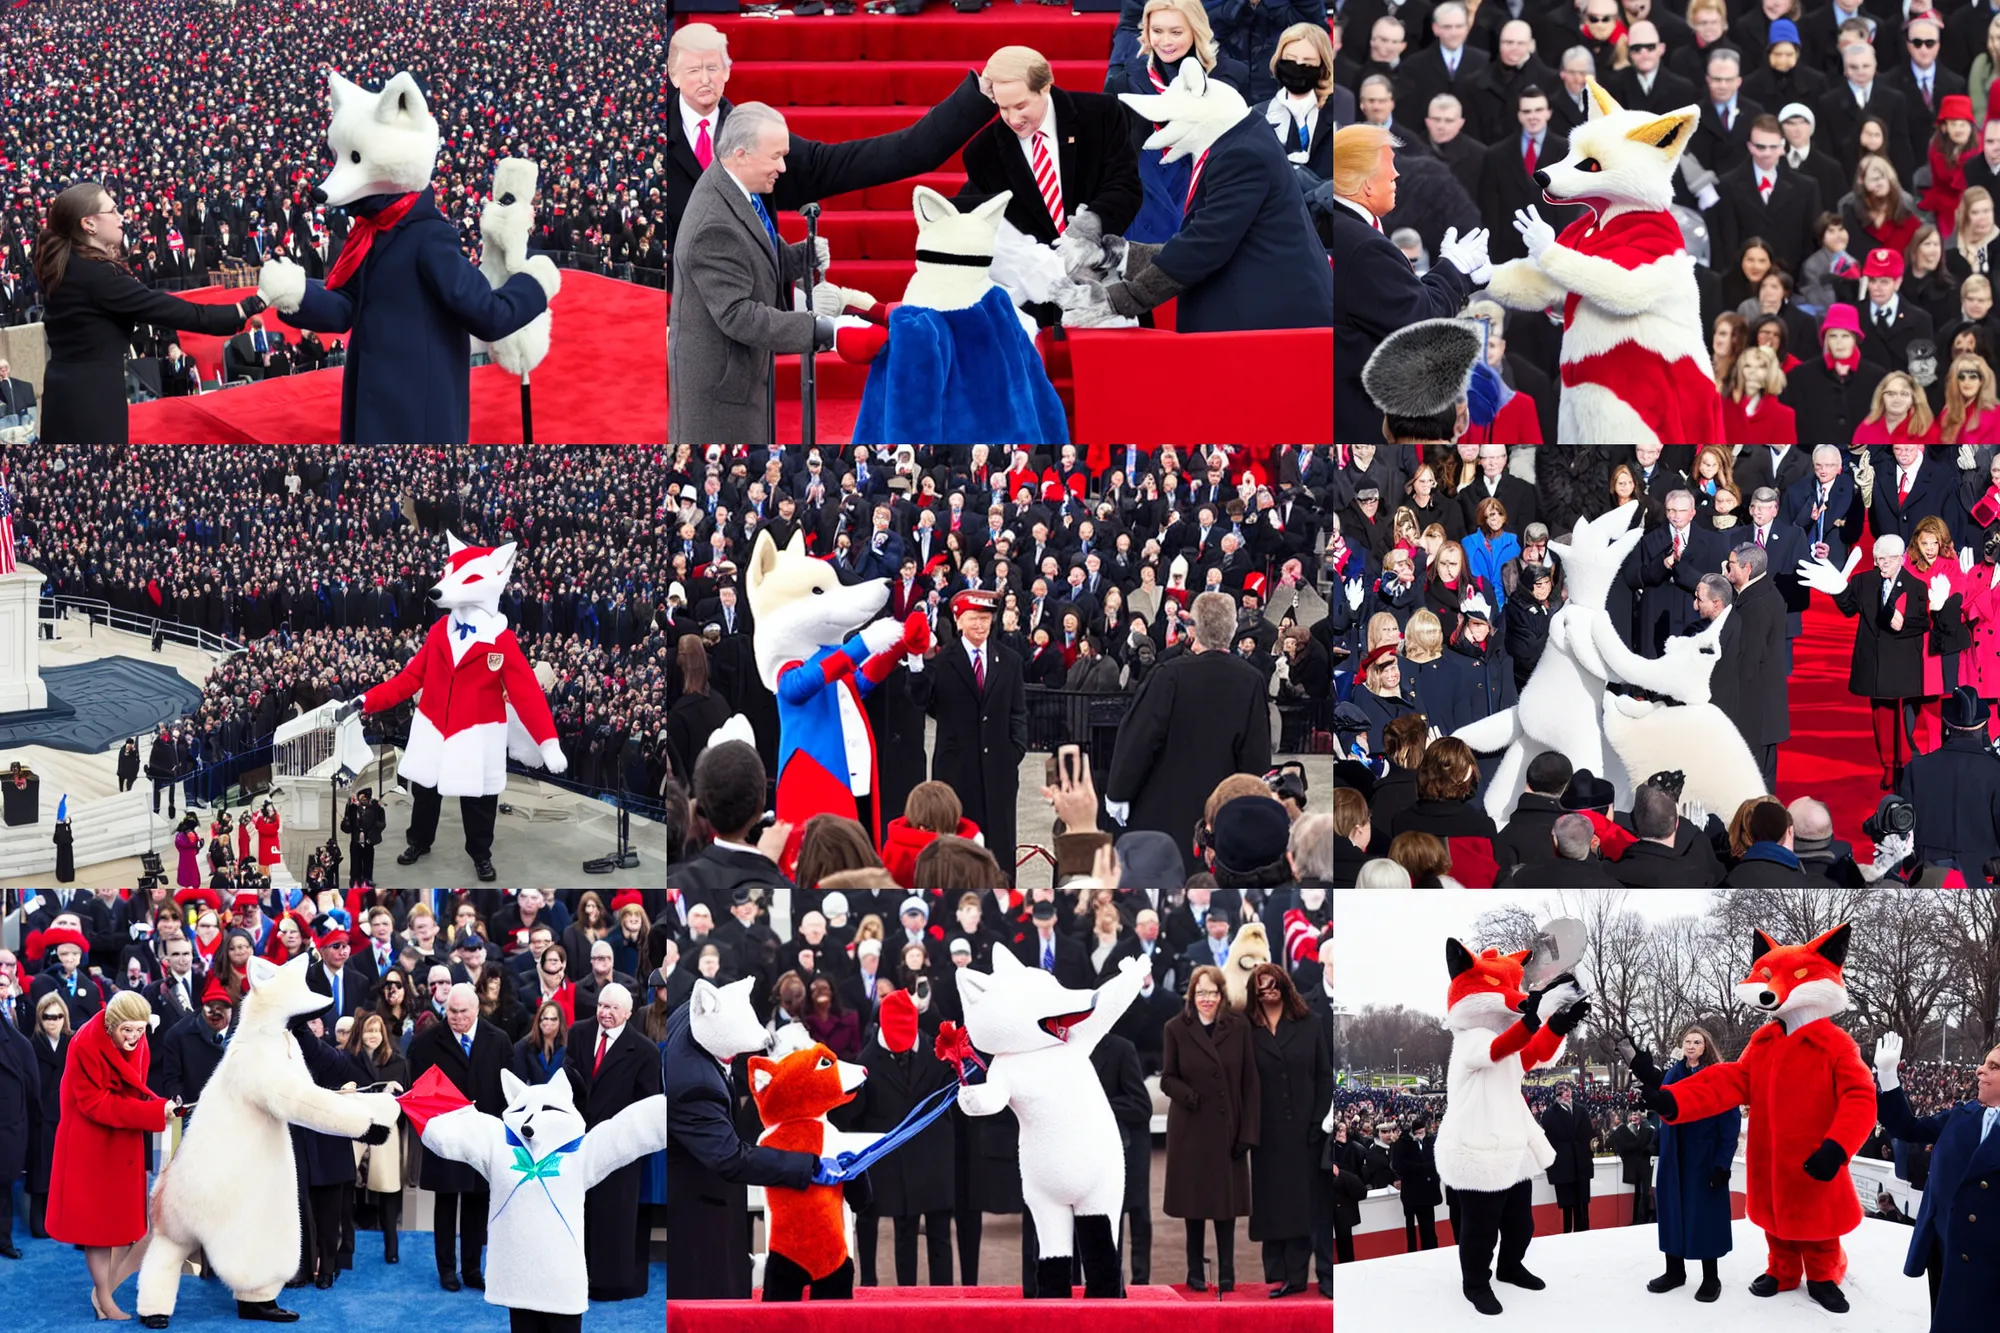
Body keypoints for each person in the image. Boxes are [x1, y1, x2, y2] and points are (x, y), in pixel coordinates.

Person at [664, 23, 997, 285]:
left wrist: (975, 99)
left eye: (714, 67)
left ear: (727, 71)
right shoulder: (639, 140)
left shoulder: (758, 137)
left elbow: (883, 157)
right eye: (694, 70)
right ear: (673, 75)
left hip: (752, 324)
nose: (705, 79)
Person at [34, 181, 260, 444]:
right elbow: (172, 310)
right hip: (93, 402)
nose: (121, 218)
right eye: (113, 210)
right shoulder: (100, 276)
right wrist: (243, 310)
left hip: (61, 394)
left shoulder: (66, 265)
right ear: (89, 224)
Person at [667, 102, 839, 447]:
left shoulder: (733, 188)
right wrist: (816, 328)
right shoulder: (713, 222)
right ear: (742, 154)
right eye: (775, 156)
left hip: (738, 382)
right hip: (719, 400)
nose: (783, 167)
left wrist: (801, 255)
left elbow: (754, 255)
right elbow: (738, 315)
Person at [956, 46, 1141, 326]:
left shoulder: (1100, 114)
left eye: (1021, 106)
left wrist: (1094, 223)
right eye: (1003, 108)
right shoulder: (983, 152)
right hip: (1037, 308)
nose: (1012, 119)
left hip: (1106, 285)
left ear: (1045, 87)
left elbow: (1125, 184)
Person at [1333, 123, 1487, 440]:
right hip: (1360, 414)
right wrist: (1454, 268)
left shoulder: (1350, 230)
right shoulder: (1363, 245)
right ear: (1365, 184)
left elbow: (1398, 302)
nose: (1396, 175)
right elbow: (1417, 322)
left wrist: (1461, 279)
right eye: (1389, 165)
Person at [1107, 591, 1274, 850]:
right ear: (1232, 630)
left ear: (1195, 629)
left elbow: (1139, 739)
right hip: (1219, 816)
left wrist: (1118, 792)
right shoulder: (1251, 681)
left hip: (1162, 812)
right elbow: (1256, 754)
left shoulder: (1168, 675)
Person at [49, 991, 173, 1320]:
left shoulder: (136, 1039)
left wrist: (152, 1110)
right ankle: (103, 1297)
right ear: (111, 1024)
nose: (133, 1037)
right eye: (127, 1031)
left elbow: (130, 1089)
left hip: (121, 1138)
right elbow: (96, 1104)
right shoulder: (85, 1045)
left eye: (139, 1030)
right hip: (90, 1145)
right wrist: (154, 1112)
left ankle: (105, 1291)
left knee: (124, 1225)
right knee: (98, 1228)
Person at [1871, 1032, 2000, 1330]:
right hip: (1945, 1249)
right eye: (1984, 1064)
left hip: (1989, 1263)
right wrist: (1889, 1075)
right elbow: (1908, 1128)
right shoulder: (1963, 1114)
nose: (1980, 1070)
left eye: (1993, 1067)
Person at [907, 588, 1029, 882]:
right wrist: (916, 661)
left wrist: (1014, 751)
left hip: (998, 771)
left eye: (985, 619)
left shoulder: (1009, 660)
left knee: (1000, 846)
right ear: (959, 621)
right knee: (958, 843)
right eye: (974, 618)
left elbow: (1018, 711)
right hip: (956, 770)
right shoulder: (943, 660)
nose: (980, 625)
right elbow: (922, 699)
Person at [1161, 965, 1259, 1293]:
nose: (1206, 999)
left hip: (1228, 1129)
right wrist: (1188, 1096)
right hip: (1190, 1129)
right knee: (1194, 1205)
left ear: (1222, 995)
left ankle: (1228, 1270)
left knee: (1224, 1206)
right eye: (1200, 992)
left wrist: (1247, 1132)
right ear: (1191, 995)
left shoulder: (1239, 1027)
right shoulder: (1175, 1028)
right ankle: (1194, 1270)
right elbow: (1167, 1077)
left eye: (1212, 992)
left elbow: (1250, 1082)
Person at [406, 982, 508, 1292]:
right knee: (446, 1203)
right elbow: (419, 1092)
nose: (457, 1017)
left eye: (463, 1011)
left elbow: (507, 1094)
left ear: (477, 1010)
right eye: (451, 1011)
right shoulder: (424, 1044)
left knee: (477, 1203)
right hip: (446, 1138)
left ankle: (473, 1269)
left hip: (481, 1137)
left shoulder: (499, 1040)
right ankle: (447, 1270)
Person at [562, 981, 659, 1302]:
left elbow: (648, 1103)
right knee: (580, 1211)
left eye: (613, 1008)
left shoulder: (644, 1050)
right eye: (602, 1006)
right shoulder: (578, 1033)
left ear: (629, 1013)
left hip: (620, 1148)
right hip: (578, 1141)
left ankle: (608, 1282)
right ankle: (577, 1275)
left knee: (613, 1213)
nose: (604, 1013)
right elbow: (568, 1078)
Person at [1630, 1026, 1739, 1302]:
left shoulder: (1718, 1077)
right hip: (1673, 1157)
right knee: (1671, 1213)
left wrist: (1722, 1164)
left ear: (1706, 1047)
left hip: (1704, 1159)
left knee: (1705, 1216)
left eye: (1697, 1042)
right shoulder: (1672, 1074)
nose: (1691, 1046)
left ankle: (1711, 1278)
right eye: (1687, 1041)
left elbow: (1730, 1124)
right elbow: (1661, 1099)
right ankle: (1674, 1271)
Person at [1245, 963, 1331, 1298]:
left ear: (1285, 986)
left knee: (1300, 1204)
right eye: (1261, 988)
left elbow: (1323, 1076)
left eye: (1273, 985)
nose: (1268, 992)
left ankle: (1297, 1275)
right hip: (1265, 1134)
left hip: (1303, 1132)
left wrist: (1317, 1121)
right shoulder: (1247, 1029)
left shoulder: (1310, 1025)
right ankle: (1275, 1274)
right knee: (1270, 1204)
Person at [1828, 532, 1934, 788]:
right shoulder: (1864, 581)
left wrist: (1903, 624)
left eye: (1887, 559)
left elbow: (1924, 622)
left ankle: (1906, 763)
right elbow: (1849, 609)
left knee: (1904, 718)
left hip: (1902, 662)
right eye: (1877, 559)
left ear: (1901, 559)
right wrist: (1838, 590)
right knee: (1882, 718)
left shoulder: (1916, 585)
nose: (1881, 564)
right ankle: (1889, 765)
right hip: (1874, 660)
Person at [1898, 684, 2000, 875]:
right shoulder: (1996, 770)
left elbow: (1902, 832)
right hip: (1982, 874)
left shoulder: (1916, 768)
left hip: (1926, 871)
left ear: (1946, 723)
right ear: (1983, 724)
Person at [1539, 1083, 1596, 1232]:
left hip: (1581, 1163)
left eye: (1568, 1090)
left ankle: (1582, 1232)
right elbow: (1548, 1140)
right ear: (1557, 1095)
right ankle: (1566, 1234)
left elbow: (1588, 1134)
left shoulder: (1581, 1110)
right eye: (1562, 1091)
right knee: (1567, 1205)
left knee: (1582, 1204)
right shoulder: (1549, 1114)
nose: (1567, 1093)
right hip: (1562, 1165)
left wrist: (1588, 1154)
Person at [1609, 1110, 1659, 1225]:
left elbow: (1653, 1146)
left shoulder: (1649, 1130)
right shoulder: (1624, 1131)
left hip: (1645, 1166)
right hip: (1633, 1167)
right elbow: (1616, 1144)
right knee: (1637, 1193)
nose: (1634, 1117)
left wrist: (1646, 1150)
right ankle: (1636, 1218)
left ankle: (1645, 1218)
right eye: (1631, 1115)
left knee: (1645, 1192)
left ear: (1640, 1117)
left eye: (1636, 1114)